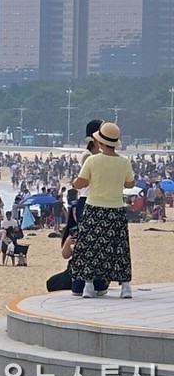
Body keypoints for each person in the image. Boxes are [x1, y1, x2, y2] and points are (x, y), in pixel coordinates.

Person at [71, 122, 135, 299]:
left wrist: (74, 183)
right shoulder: (124, 162)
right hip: (115, 208)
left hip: (94, 207)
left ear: (99, 143)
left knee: (91, 246)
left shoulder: (92, 160)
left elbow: (81, 182)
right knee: (119, 247)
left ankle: (89, 286)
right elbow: (130, 184)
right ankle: (125, 287)